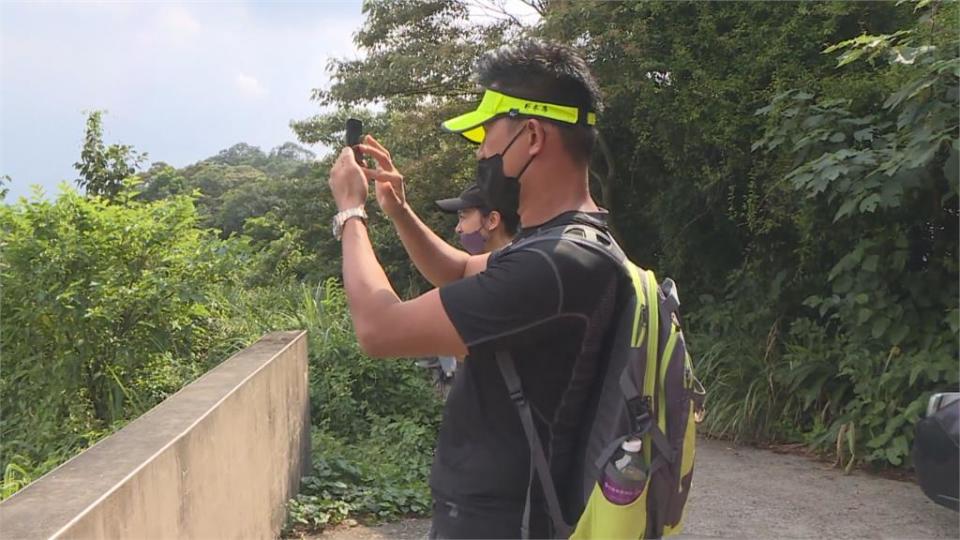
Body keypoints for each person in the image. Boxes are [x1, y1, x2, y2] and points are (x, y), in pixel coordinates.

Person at [326, 39, 618, 538]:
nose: (481, 152)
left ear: (532, 135)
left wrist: (351, 213)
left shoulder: (553, 266)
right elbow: (460, 271)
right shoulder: (573, 243)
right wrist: (397, 209)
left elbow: (378, 329)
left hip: (506, 523)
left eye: (486, 135)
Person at [436, 183, 519, 254]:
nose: (458, 229)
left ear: (492, 220)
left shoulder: (513, 269)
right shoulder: (521, 260)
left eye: (463, 217)